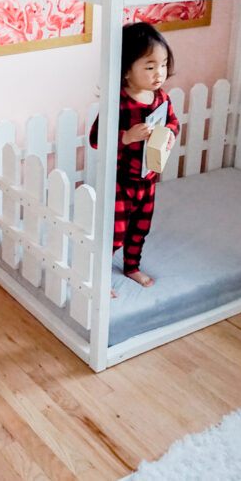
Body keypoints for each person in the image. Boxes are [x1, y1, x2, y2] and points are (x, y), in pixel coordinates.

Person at [90, 22, 179, 297]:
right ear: (126, 70)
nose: (159, 74)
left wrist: (171, 135)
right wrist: (126, 137)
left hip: (148, 178)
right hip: (120, 181)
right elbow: (96, 139)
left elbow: (174, 123)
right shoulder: (117, 103)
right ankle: (100, 275)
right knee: (114, 233)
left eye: (163, 65)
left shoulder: (161, 98)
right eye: (150, 67)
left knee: (140, 229)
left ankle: (131, 266)